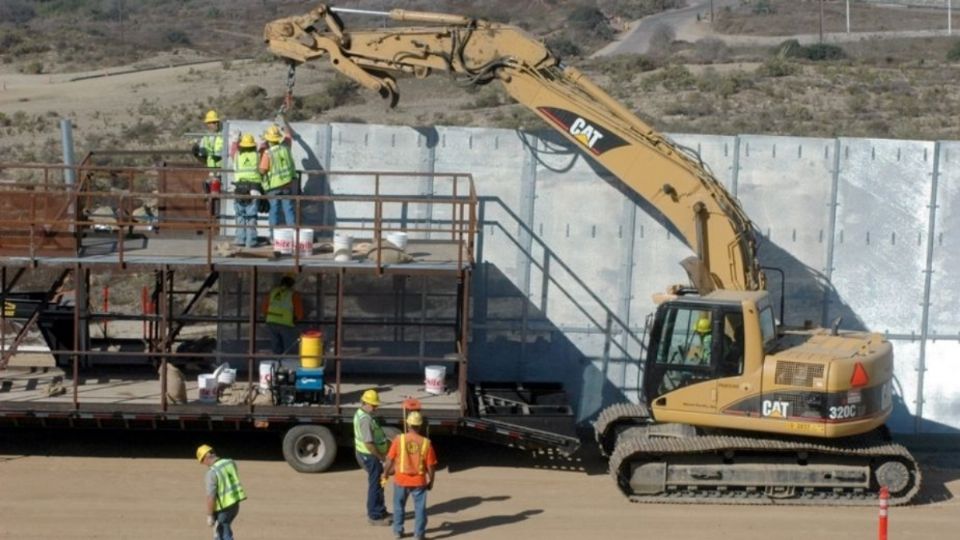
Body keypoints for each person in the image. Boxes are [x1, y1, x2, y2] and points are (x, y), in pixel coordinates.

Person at [384, 411, 437, 540]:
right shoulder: (426, 443)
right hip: (419, 482)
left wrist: (385, 473)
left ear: (408, 425)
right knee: (420, 509)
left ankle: (398, 532)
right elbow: (431, 466)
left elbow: (389, 459)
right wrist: (431, 481)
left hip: (401, 480)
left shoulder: (399, 440)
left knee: (398, 507)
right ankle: (418, 535)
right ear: (420, 426)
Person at [354, 389, 391, 526]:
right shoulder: (365, 420)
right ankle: (375, 516)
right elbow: (369, 444)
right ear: (366, 403)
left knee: (379, 483)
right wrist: (382, 457)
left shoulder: (362, 414)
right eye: (374, 405)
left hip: (369, 455)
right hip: (370, 456)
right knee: (375, 485)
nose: (376, 408)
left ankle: (380, 510)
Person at [197, 444, 247, 540]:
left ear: (205, 457)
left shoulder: (211, 473)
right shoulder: (230, 462)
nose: (204, 464)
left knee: (223, 534)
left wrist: (210, 515)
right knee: (222, 531)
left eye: (202, 461)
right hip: (235, 504)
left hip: (223, 508)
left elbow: (211, 497)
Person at [258, 119, 297, 240]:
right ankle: (294, 236)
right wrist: (283, 123)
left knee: (274, 211)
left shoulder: (267, 153)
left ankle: (273, 237)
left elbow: (262, 170)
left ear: (268, 140)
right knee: (289, 210)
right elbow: (289, 136)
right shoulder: (286, 148)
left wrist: (260, 148)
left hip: (273, 187)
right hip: (287, 184)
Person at [232, 133, 264, 248]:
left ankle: (240, 239)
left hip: (239, 188)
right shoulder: (257, 155)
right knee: (251, 216)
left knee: (240, 214)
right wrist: (263, 140)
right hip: (254, 188)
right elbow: (263, 151)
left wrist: (236, 140)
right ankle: (251, 241)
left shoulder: (237, 155)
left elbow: (233, 150)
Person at [261, 274, 304, 358]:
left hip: (271, 322)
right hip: (285, 323)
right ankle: (287, 365)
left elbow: (264, 307)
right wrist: (297, 319)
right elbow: (299, 312)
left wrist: (267, 317)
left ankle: (278, 364)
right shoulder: (293, 294)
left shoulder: (273, 292)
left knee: (276, 346)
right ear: (291, 285)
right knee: (288, 347)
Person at [195, 109, 224, 192]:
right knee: (209, 189)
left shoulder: (223, 135)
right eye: (211, 122)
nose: (214, 124)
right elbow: (202, 157)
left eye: (215, 122)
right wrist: (198, 153)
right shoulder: (206, 137)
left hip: (223, 170)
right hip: (212, 170)